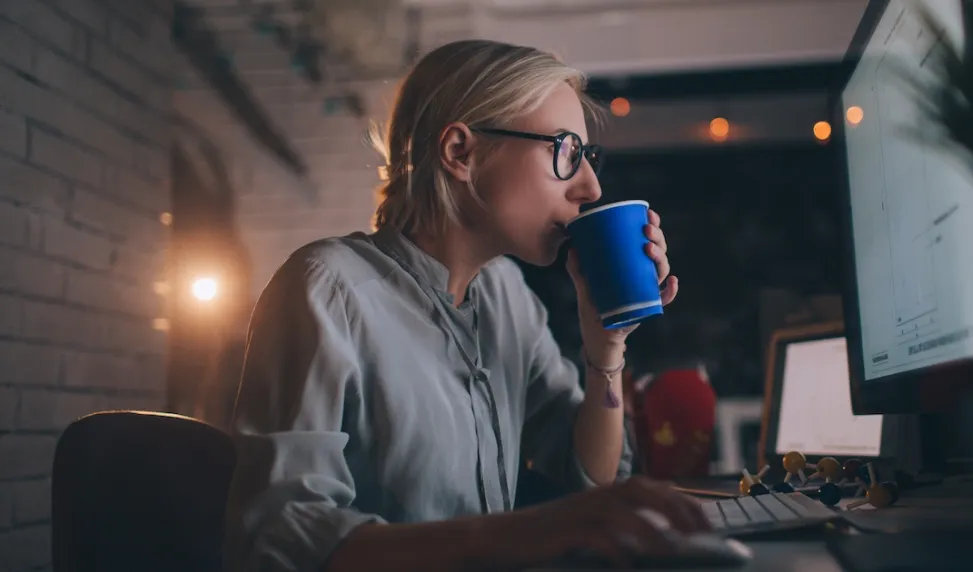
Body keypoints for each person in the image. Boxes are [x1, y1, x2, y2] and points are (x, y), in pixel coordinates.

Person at [223, 39, 711, 572]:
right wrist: (528, 531)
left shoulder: (507, 297)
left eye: (587, 158)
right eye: (567, 152)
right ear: (461, 153)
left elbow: (590, 476)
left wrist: (606, 350)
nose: (591, 187)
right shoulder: (326, 288)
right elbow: (281, 538)